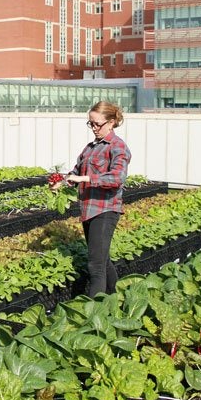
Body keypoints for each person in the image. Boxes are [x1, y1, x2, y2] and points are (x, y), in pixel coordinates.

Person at [57, 101, 131, 297]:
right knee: (103, 260)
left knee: (95, 265)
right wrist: (63, 183)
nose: (94, 128)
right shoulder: (90, 148)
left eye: (97, 124)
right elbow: (76, 171)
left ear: (112, 122)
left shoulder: (118, 147)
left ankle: (91, 315)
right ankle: (117, 298)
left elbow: (117, 178)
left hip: (105, 210)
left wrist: (85, 178)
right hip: (88, 209)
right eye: (91, 123)